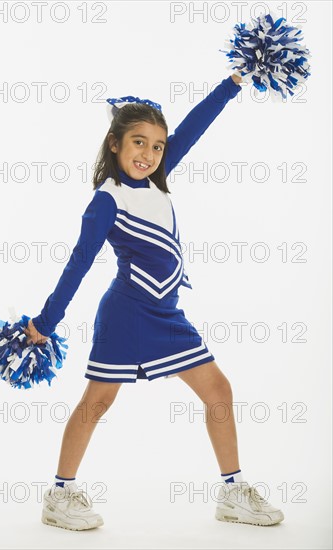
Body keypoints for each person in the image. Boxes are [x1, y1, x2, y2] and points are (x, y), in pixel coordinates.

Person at [24, 73, 284, 530]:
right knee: (97, 403)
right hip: (126, 313)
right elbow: (79, 263)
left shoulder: (158, 181)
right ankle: (60, 494)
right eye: (138, 143)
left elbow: (195, 126)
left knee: (218, 391)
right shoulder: (107, 200)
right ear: (114, 144)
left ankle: (233, 492)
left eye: (157, 146)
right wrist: (46, 320)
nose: (148, 155)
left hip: (167, 315)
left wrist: (234, 82)